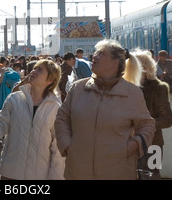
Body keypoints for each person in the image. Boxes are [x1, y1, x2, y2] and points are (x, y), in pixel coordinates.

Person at [55, 39, 155, 180]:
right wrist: (68, 146)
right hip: (78, 172)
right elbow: (62, 118)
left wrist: (131, 147)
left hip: (118, 172)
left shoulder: (132, 93)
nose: (93, 56)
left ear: (114, 62)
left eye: (100, 53)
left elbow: (147, 125)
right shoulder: (78, 88)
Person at [0, 59, 65, 180]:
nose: (34, 71)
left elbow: (58, 149)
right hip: (10, 173)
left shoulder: (55, 108)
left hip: (39, 176)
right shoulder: (14, 99)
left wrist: (55, 177)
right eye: (35, 68)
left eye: (40, 70)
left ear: (50, 80)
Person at [133, 49, 172, 178]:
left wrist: (143, 125)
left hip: (153, 144)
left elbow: (167, 119)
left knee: (153, 176)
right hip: (132, 145)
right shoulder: (129, 88)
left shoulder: (158, 88)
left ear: (144, 68)